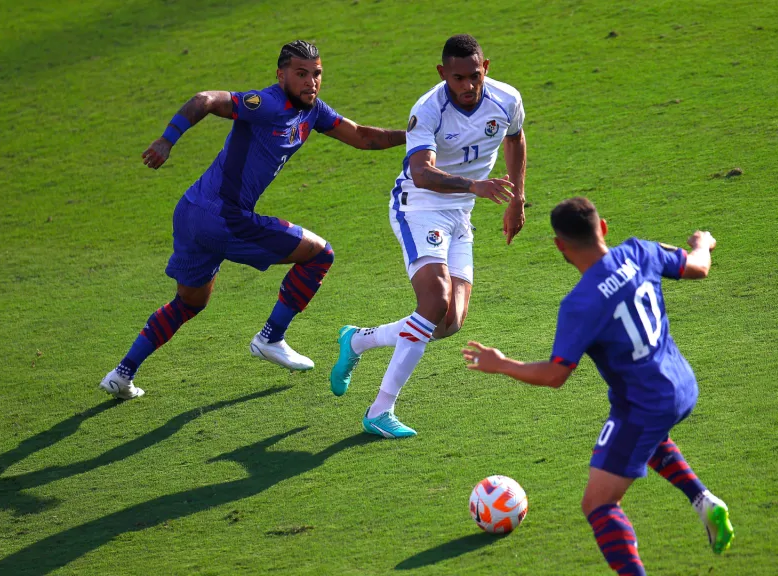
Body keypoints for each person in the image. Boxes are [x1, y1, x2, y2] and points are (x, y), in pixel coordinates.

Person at [99, 40, 405, 400]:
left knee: (190, 302)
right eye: (301, 74)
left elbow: (363, 137)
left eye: (317, 74)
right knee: (320, 255)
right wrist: (167, 140)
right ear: (281, 75)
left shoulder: (313, 111)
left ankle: (122, 374)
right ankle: (271, 337)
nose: (311, 82)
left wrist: (414, 136)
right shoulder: (268, 103)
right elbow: (204, 100)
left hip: (191, 210)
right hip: (223, 218)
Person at [461, 197, 734, 575]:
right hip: (681, 384)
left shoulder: (581, 304)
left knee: (598, 504)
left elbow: (556, 375)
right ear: (603, 227)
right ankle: (703, 501)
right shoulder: (640, 251)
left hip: (645, 403)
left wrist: (502, 364)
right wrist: (703, 243)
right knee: (643, 438)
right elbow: (699, 267)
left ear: (560, 245)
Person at [328, 34, 527, 438]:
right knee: (433, 300)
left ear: (485, 66)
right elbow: (422, 173)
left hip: (461, 212)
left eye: (474, 75)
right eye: (458, 78)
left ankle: (359, 341)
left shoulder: (507, 100)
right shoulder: (428, 109)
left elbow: (515, 139)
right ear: (443, 74)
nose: (468, 85)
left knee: (448, 322)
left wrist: (517, 199)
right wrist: (476, 186)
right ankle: (380, 410)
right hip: (418, 206)